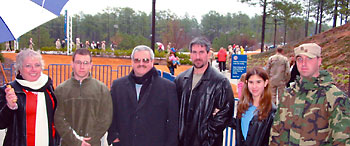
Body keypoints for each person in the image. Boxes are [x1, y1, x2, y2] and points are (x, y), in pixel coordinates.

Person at [269, 43, 350, 145]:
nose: (304, 63)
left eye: (309, 59)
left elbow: (343, 140)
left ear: (319, 61)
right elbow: (276, 133)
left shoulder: (334, 97)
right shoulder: (289, 94)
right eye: (300, 59)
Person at [107, 45, 178, 146]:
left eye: (145, 60)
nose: (141, 64)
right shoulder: (118, 86)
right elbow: (110, 114)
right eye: (137, 60)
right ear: (132, 62)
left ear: (152, 61)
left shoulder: (168, 88)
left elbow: (173, 123)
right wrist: (113, 136)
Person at [174, 37, 234, 146]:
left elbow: (225, 113)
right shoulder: (181, 79)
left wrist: (206, 134)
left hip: (207, 142)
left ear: (208, 54)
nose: (197, 57)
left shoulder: (220, 82)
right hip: (183, 141)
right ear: (190, 54)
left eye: (201, 52)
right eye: (194, 52)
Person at [54, 48, 113, 146]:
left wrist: (89, 140)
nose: (82, 66)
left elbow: (105, 119)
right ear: (72, 64)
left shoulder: (102, 89)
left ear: (91, 65)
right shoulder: (61, 90)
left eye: (85, 63)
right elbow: (59, 119)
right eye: (78, 62)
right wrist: (76, 141)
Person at [0, 49, 59, 146]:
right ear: (19, 69)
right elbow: (1, 124)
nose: (33, 69)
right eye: (28, 66)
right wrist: (9, 107)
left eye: (37, 65)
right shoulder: (9, 91)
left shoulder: (48, 86)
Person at [229, 67, 276, 146]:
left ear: (265, 83)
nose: (254, 86)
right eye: (251, 82)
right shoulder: (243, 105)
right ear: (246, 83)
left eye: (258, 82)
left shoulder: (271, 111)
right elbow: (240, 126)